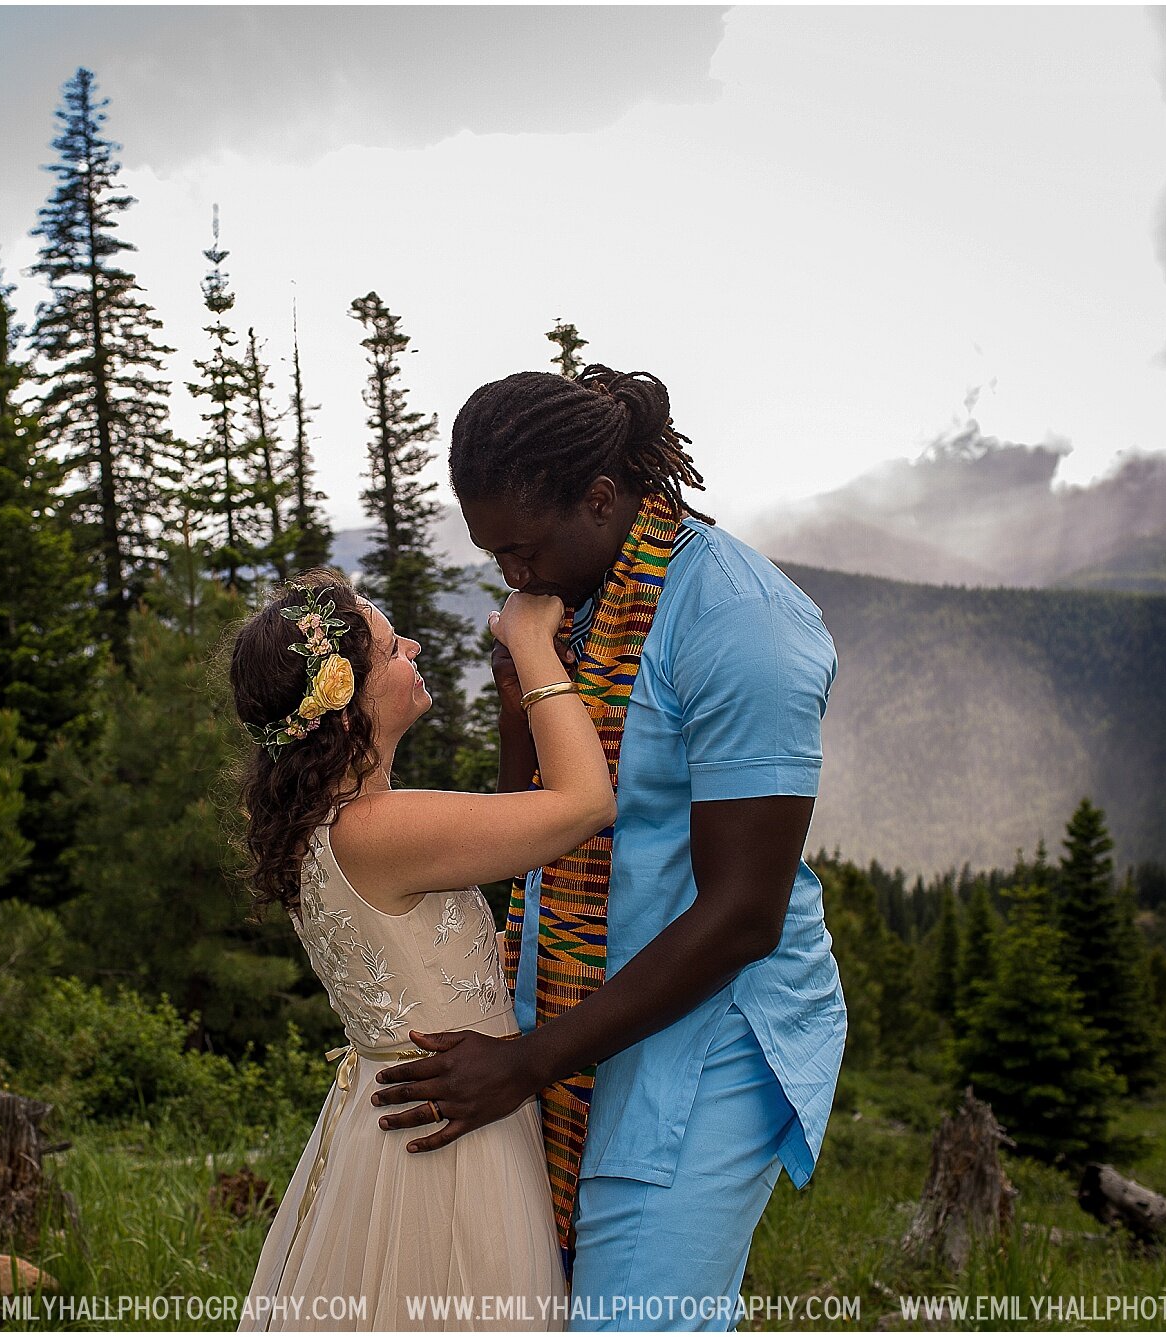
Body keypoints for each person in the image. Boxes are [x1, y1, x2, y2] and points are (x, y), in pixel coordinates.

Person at [368, 365, 847, 1332]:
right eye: (492, 552)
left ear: (602, 498)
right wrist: (521, 697)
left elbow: (745, 911)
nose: (513, 575)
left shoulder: (742, 624)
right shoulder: (580, 606)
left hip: (710, 1034)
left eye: (524, 547)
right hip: (584, 1000)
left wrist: (529, 1061)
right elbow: (535, 832)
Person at [230, 569, 614, 1331]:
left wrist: (513, 721)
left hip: (400, 1117)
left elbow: (509, 850)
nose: (410, 646)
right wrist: (535, 645)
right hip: (453, 1143)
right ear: (347, 698)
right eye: (388, 644)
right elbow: (585, 804)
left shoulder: (334, 826)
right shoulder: (376, 829)